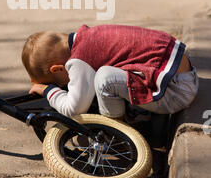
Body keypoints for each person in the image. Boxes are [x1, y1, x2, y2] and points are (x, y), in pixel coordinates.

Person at [22, 24, 199, 122]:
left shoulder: (78, 61)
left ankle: (117, 128)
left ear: (58, 68)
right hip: (185, 74)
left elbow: (74, 108)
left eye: (59, 82)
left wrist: (48, 91)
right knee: (108, 73)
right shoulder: (91, 35)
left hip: (176, 92)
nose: (64, 85)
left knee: (104, 79)